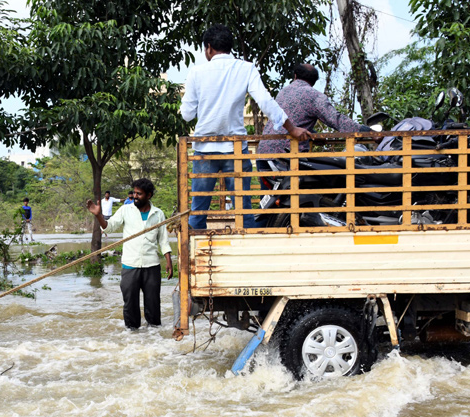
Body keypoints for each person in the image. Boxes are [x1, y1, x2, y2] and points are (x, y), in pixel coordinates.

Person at [180, 23, 311, 230]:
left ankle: (194, 258)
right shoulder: (246, 68)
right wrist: (292, 129)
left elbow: (187, 115)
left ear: (209, 47)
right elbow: (266, 102)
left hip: (204, 149)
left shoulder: (197, 72)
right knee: (243, 209)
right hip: (236, 150)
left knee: (198, 211)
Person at [257, 64, 370, 216]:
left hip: (264, 152)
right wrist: (365, 131)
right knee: (297, 198)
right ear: (314, 81)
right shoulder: (314, 96)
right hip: (285, 156)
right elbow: (336, 120)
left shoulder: (283, 92)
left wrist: (312, 133)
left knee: (269, 201)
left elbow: (292, 119)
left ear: (295, 76)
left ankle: (263, 232)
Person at [86, 178, 174, 329]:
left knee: (153, 305)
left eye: (139, 194)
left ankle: (155, 338)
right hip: (130, 265)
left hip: (151, 265)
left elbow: (163, 241)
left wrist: (169, 262)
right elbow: (109, 227)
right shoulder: (126, 210)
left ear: (149, 195)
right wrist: (98, 216)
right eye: (134, 193)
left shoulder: (158, 214)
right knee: (130, 304)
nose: (135, 196)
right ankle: (132, 338)